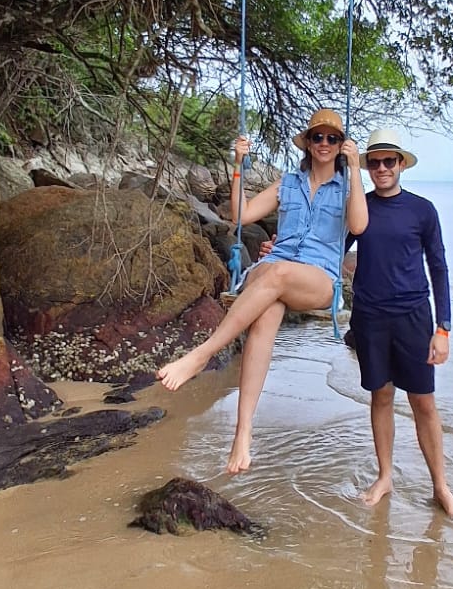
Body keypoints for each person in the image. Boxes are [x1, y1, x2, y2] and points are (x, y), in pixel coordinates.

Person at [157, 109, 367, 473]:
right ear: (308, 142)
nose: (325, 144)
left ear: (340, 145)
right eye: (318, 137)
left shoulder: (346, 189)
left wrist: (356, 169)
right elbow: (241, 216)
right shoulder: (288, 183)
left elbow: (360, 226)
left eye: (333, 139)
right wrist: (238, 165)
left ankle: (203, 354)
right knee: (266, 314)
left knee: (278, 273)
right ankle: (242, 433)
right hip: (275, 270)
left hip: (318, 278)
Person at [349, 126, 453, 523]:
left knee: (423, 403)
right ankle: (385, 477)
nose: (382, 168)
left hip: (414, 317)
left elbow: (439, 267)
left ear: (401, 164)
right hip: (370, 318)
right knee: (381, 396)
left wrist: (444, 329)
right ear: (366, 167)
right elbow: (327, 249)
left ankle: (441, 487)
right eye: (374, 162)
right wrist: (278, 249)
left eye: (389, 161)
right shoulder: (359, 209)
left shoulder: (423, 210)